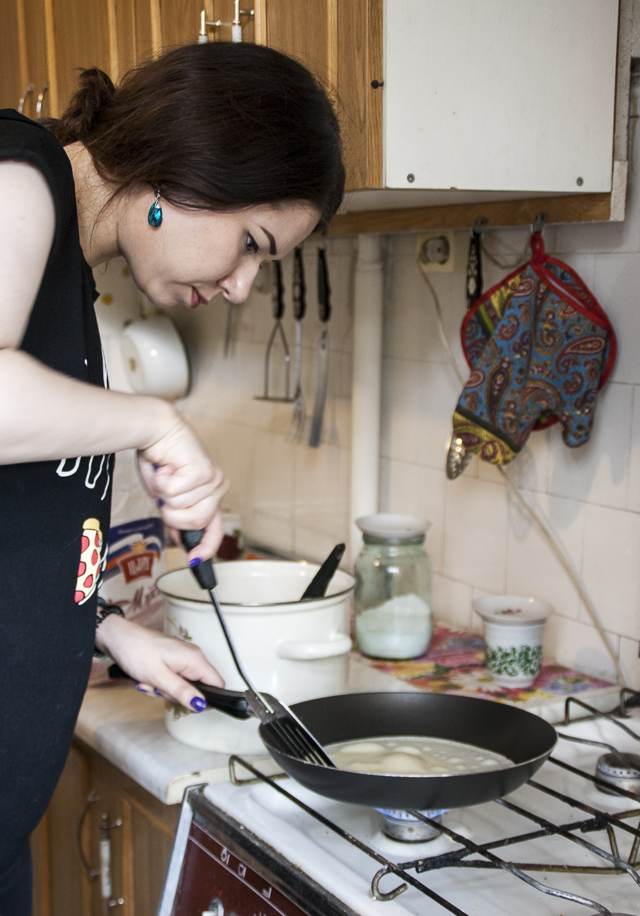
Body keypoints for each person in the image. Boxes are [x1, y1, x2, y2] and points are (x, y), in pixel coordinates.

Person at [0, 40, 344, 912]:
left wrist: (108, 630)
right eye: (251, 244)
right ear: (189, 168)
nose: (240, 285)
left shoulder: (68, 283)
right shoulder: (20, 174)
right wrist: (155, 420)